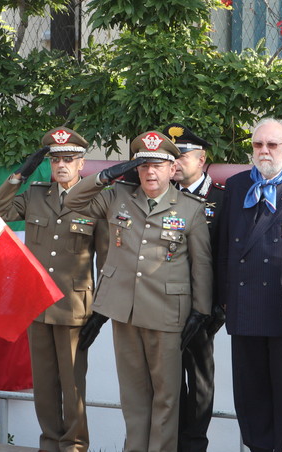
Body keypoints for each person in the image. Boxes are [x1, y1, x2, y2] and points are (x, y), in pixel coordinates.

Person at [65, 131, 213, 452]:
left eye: (157, 165)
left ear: (172, 169)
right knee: (133, 397)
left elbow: (201, 266)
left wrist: (200, 313)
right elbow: (72, 201)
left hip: (166, 313)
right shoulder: (118, 196)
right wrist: (105, 176)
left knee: (166, 397)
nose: (150, 172)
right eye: (143, 165)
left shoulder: (189, 208)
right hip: (124, 310)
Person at [0, 127, 107, 452]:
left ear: (82, 163)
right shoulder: (36, 194)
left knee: (71, 387)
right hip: (38, 305)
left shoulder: (96, 200)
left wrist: (101, 309)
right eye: (55, 159)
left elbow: (106, 258)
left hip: (74, 307)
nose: (61, 166)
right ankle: (49, 444)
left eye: (68, 159)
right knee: (44, 387)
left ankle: (74, 446)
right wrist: (20, 175)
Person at [216, 117, 282, 452]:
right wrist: (222, 299)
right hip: (244, 307)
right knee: (249, 393)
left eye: (272, 144)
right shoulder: (235, 187)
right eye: (258, 144)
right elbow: (220, 247)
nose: (264, 151)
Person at [163, 122, 225, 452]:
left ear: (201, 160)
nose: (176, 161)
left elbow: (227, 256)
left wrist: (219, 308)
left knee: (200, 380)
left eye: (183, 155)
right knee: (168, 382)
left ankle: (194, 445)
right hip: (164, 304)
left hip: (203, 310)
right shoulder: (163, 196)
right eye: (171, 155)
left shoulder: (221, 200)